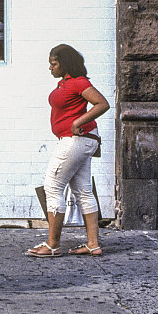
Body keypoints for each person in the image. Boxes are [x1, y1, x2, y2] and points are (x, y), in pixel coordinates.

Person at [26, 43, 110, 258]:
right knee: (83, 191)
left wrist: (77, 122)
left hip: (76, 140)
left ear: (64, 63)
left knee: (52, 187)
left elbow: (102, 104)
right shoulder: (65, 84)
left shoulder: (78, 82)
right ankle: (93, 244)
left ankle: (52, 245)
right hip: (81, 141)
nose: (50, 68)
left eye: (54, 64)